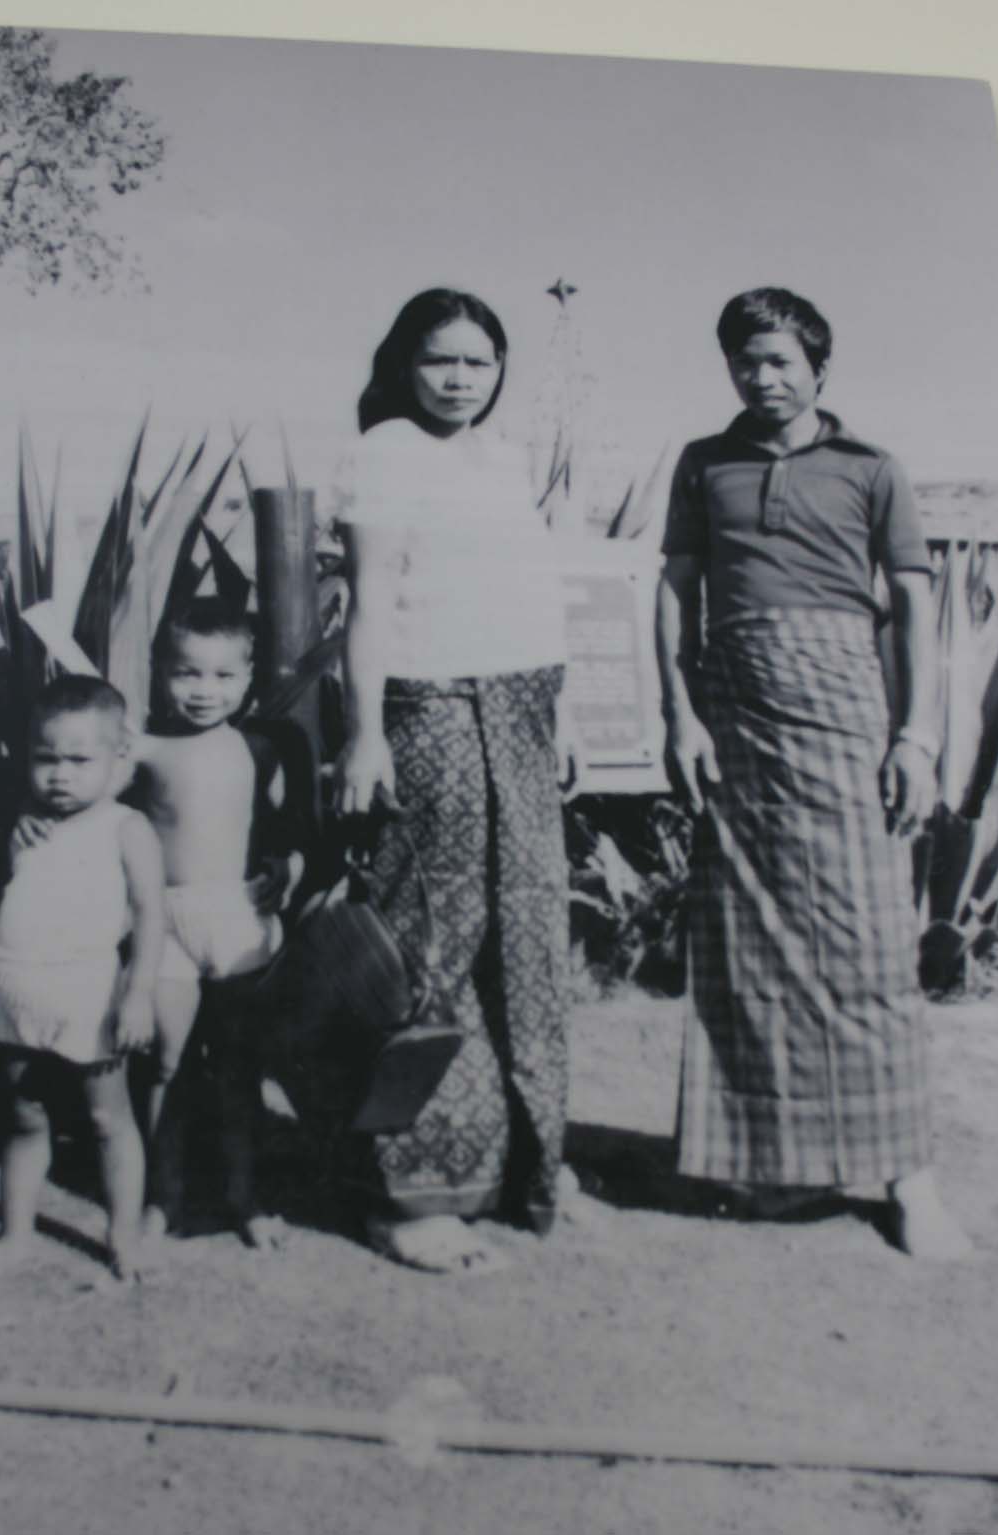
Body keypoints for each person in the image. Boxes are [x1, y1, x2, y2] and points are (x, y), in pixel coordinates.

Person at [655, 287, 970, 1259]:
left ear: (818, 368)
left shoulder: (871, 467)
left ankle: (907, 1176)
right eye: (746, 361)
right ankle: (777, 1167)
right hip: (735, 726)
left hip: (845, 719)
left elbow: (914, 611)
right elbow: (677, 591)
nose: (763, 377)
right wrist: (680, 714)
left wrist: (915, 736)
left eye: (782, 360)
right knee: (748, 955)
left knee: (870, 947)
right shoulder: (703, 462)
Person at [334, 287, 575, 1274]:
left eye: (479, 362)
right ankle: (404, 1194)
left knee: (523, 944)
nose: (461, 379)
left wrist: (552, 723)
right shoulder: (384, 452)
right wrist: (361, 737)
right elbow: (368, 610)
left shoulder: (504, 461)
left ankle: (524, 1170)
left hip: (519, 711)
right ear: (403, 364)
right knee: (425, 949)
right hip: (427, 708)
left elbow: (525, 595)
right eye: (442, 360)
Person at [132, 598, 304, 1249]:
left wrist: (286, 865)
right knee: (164, 1062)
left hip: (236, 917)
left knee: (238, 1065)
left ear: (249, 675)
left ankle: (244, 1195)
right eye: (186, 672)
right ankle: (162, 1196)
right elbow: (86, 805)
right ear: (158, 671)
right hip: (166, 920)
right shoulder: (141, 746)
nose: (204, 690)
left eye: (222, 675)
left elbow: (289, 829)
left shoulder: (263, 745)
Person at [0, 676, 165, 1281]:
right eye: (45, 758)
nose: (60, 774)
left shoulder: (124, 828)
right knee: (24, 1117)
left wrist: (138, 992)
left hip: (88, 996)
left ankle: (123, 1236)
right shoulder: (25, 827)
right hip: (16, 993)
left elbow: (149, 916)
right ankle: (15, 1232)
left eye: (79, 760)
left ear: (118, 760)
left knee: (108, 1120)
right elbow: (6, 907)